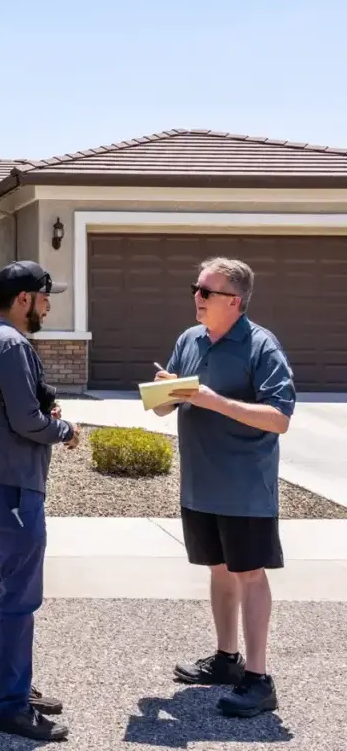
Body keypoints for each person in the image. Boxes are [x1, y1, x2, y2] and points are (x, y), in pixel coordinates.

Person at [153, 256, 295, 718]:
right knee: (218, 569)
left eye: (205, 292)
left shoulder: (261, 346)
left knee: (249, 575)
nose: (196, 297)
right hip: (200, 484)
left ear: (233, 301)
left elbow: (279, 418)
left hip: (244, 488)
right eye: (195, 288)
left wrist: (215, 402)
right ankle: (226, 659)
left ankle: (258, 679)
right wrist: (164, 392)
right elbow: (164, 409)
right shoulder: (189, 340)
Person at [0, 260, 80, 742]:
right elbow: (26, 423)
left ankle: (8, 689)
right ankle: (10, 706)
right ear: (24, 300)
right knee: (19, 596)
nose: (49, 305)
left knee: (2, 589)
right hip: (12, 484)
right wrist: (66, 431)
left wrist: (40, 409)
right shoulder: (11, 344)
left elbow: (13, 406)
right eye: (45, 296)